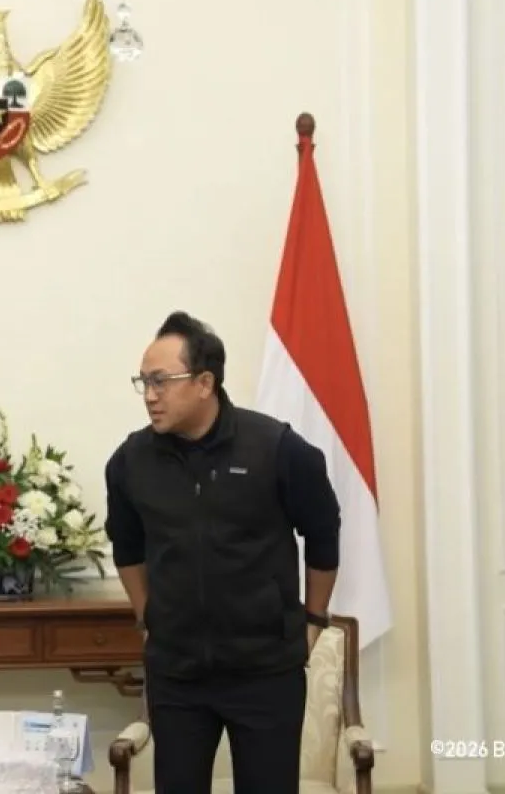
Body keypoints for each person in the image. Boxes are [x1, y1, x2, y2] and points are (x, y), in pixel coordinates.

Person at [104, 311, 340, 794]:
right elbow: (127, 549)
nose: (150, 395)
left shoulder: (277, 448)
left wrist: (314, 620)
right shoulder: (130, 461)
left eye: (161, 381)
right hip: (177, 674)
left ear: (205, 382)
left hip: (265, 671)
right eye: (144, 382)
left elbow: (323, 536)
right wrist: (149, 619)